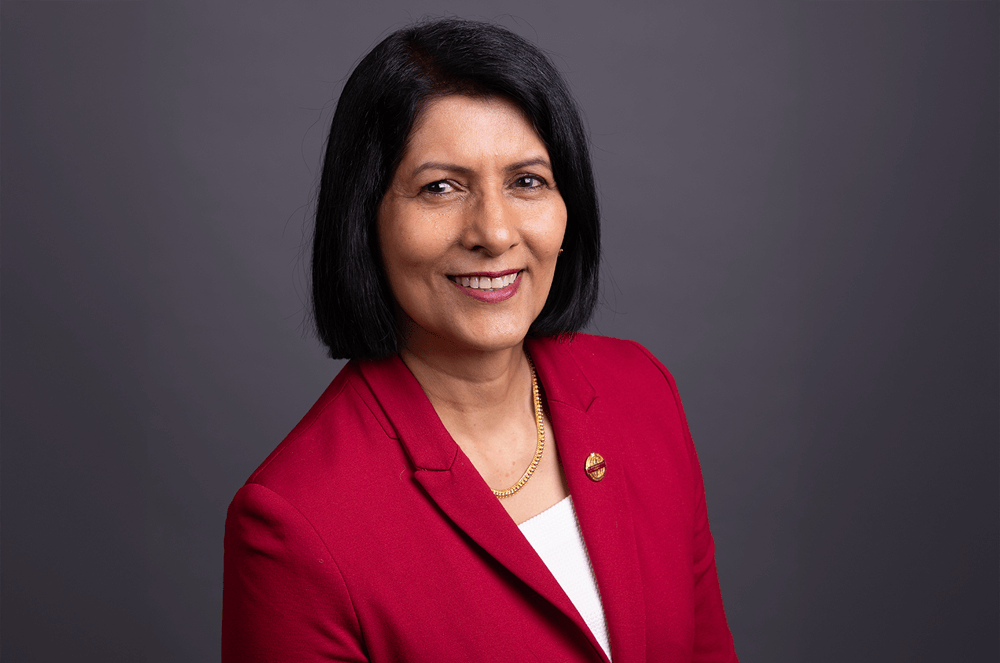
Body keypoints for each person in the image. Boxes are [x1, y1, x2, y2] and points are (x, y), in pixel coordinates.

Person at [222, 18, 739, 663]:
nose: (493, 233)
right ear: (366, 216)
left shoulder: (641, 393)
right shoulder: (294, 525)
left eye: (527, 180)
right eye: (441, 187)